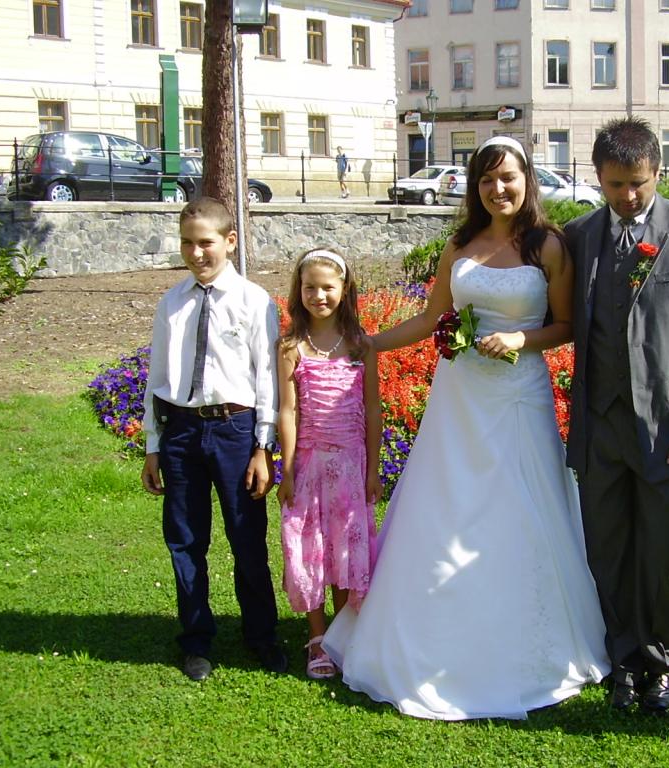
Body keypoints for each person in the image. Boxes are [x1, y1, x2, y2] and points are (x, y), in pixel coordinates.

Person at [322, 135, 609, 720]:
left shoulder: (549, 246)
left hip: (518, 397)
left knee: (521, 507)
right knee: (444, 505)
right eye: (486, 180)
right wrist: (370, 343)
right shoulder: (459, 245)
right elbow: (433, 318)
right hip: (460, 397)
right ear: (475, 188)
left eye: (508, 178)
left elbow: (567, 325)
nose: (498, 189)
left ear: (527, 180)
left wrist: (521, 338)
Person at [563, 117, 669, 712]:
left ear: (658, 172)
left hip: (668, 426)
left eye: (638, 183)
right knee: (606, 547)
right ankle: (623, 659)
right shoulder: (579, 235)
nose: (628, 196)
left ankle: (666, 659)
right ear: (598, 178)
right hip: (599, 423)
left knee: (664, 550)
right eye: (615, 185)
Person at [140, 197, 286, 681]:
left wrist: (262, 448)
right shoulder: (172, 303)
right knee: (185, 539)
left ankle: (261, 635)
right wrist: (153, 445)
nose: (196, 252)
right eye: (187, 243)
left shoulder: (253, 301)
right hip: (181, 431)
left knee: (247, 539)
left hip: (234, 431)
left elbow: (267, 378)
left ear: (230, 241)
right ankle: (196, 639)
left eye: (205, 242)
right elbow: (158, 377)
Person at [276, 247, 381, 679]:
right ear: (298, 291)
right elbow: (288, 411)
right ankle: (317, 637)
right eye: (309, 288)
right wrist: (287, 470)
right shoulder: (291, 347)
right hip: (309, 466)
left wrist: (372, 469)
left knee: (344, 548)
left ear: (344, 289)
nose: (318, 296)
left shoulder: (361, 346)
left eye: (327, 288)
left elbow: (372, 409)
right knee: (310, 550)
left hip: (351, 468)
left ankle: (342, 634)